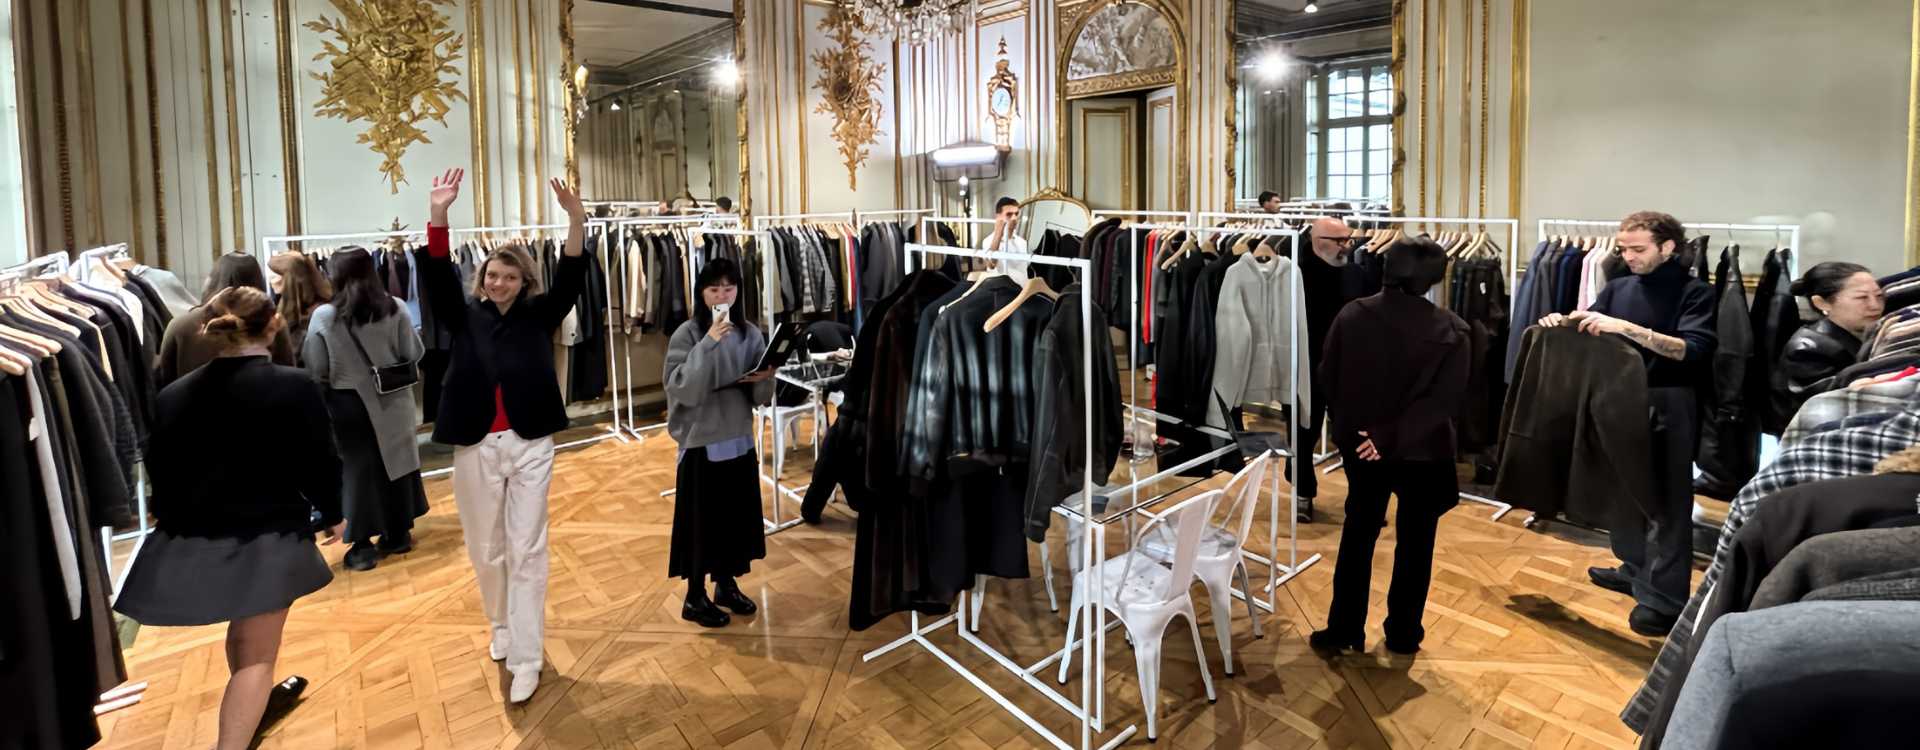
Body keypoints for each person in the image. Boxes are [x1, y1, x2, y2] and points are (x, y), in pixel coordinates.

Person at [115, 286, 344, 750]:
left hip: (198, 538)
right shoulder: (293, 386)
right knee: (257, 656)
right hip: (267, 537)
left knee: (244, 645)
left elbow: (162, 470)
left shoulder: (174, 394)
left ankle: (246, 718)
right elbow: (319, 459)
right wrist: (334, 512)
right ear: (273, 325)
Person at [415, 168, 589, 703]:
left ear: (524, 281)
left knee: (528, 549)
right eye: (493, 275)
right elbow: (436, 273)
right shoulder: (464, 315)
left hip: (530, 442)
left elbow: (571, 273)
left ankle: (528, 658)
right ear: (482, 278)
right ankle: (501, 625)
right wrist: (439, 214)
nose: (499, 283)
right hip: (475, 444)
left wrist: (576, 220)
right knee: (486, 549)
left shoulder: (540, 313)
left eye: (510, 277)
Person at [1539, 210, 1716, 636]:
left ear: (1668, 247)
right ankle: (1634, 568)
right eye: (1623, 249)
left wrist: (1627, 328)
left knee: (1667, 501)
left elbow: (1691, 350)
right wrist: (1562, 322)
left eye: (1638, 249)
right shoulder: (1618, 287)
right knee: (1624, 490)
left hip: (1668, 400)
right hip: (1619, 397)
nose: (1628, 256)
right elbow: (1592, 326)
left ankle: (1664, 599)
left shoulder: (1695, 292)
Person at [1309, 237, 1471, 655]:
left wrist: (1361, 435)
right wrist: (1390, 436)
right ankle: (1403, 632)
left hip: (1364, 447)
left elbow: (1329, 377)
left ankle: (1344, 628)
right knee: (1417, 543)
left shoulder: (1352, 315)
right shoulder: (1451, 330)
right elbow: (1444, 401)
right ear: (1434, 278)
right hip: (1422, 451)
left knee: (1358, 534)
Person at [663, 257, 776, 627]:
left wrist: (766, 375)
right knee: (702, 522)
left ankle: (725, 585)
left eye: (729, 288)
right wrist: (709, 342)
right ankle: (694, 596)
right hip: (701, 440)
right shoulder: (687, 334)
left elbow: (760, 398)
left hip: (739, 435)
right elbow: (682, 388)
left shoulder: (750, 333)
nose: (722, 296)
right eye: (714, 289)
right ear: (701, 293)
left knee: (734, 518)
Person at [303, 247, 429, 572]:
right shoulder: (395, 307)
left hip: (349, 402)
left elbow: (316, 366)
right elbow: (413, 352)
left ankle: (361, 546)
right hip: (394, 398)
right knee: (397, 463)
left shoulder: (324, 316)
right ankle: (398, 533)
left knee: (357, 471)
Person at [1290, 215, 1367, 521]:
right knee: (1302, 433)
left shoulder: (1356, 274)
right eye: (1340, 240)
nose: (1347, 246)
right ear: (1318, 241)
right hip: (1304, 365)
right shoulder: (1295, 273)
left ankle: (1362, 499)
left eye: (1349, 239)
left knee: (1353, 434)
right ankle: (1302, 493)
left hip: (1348, 368)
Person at [153, 253, 296, 387]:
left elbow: (165, 381)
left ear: (213, 280)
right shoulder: (273, 323)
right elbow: (289, 377)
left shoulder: (180, 326)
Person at [1771, 261, 1883, 418]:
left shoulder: (1872, 333)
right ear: (1822, 303)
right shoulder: (1806, 349)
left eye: (1879, 296)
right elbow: (1821, 409)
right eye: (1862, 297)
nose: (1875, 305)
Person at [268, 251, 332, 365]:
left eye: (274, 275)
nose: (270, 281)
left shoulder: (318, 313)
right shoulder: (283, 303)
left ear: (289, 279)